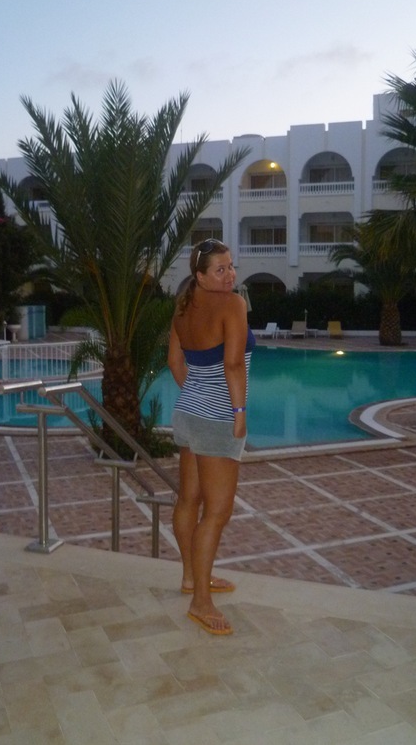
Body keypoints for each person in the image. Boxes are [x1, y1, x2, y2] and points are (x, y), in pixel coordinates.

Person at [168, 239, 255, 635]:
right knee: (218, 512)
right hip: (218, 418)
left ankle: (192, 578)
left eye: (231, 266)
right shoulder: (233, 305)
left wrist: (197, 395)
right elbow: (233, 364)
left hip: (188, 412)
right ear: (200, 276)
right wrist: (238, 414)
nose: (230, 275)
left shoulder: (183, 306)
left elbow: (175, 362)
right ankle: (201, 601)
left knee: (189, 499)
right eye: (220, 270)